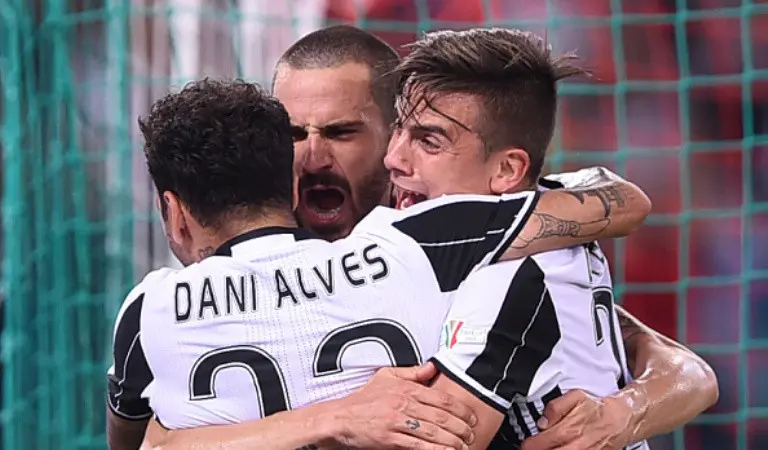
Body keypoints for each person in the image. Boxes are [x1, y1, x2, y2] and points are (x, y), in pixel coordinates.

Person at [127, 26, 717, 450]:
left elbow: (660, 355)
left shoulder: (474, 248)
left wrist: (627, 411)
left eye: (340, 132)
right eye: (291, 134)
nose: (310, 156)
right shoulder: (259, 262)